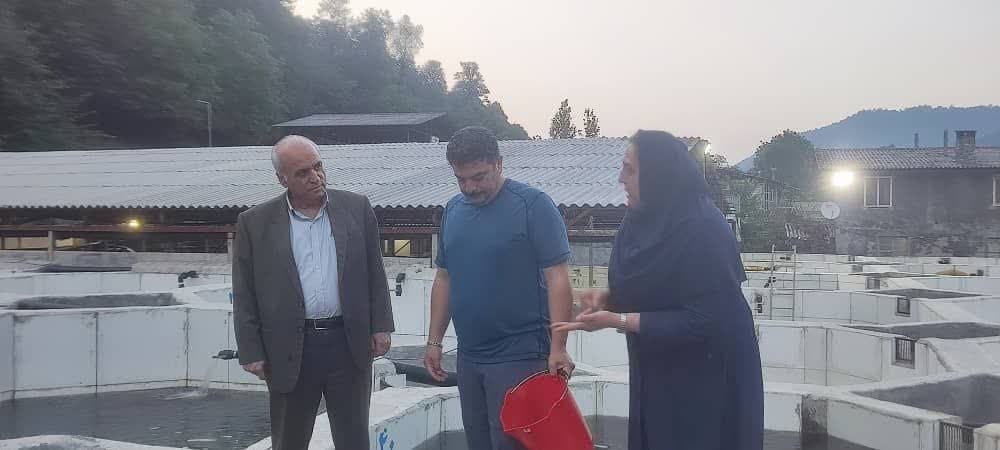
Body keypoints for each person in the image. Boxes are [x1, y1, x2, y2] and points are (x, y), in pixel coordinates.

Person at [553, 130, 764, 450]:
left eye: (630, 170)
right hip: (658, 366)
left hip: (707, 374)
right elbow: (654, 287)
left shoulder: (703, 229)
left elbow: (707, 319)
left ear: (659, 175)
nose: (620, 178)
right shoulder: (640, 219)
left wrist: (618, 320)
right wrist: (609, 299)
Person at [232, 135, 395, 450]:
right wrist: (250, 349)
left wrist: (381, 326)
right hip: (289, 347)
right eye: (302, 172)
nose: (315, 177)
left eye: (318, 167)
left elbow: (375, 270)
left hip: (348, 343)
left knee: (353, 438)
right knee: (289, 440)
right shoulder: (255, 223)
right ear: (282, 179)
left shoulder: (356, 208)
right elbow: (245, 291)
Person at [422, 126, 576, 450]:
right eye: (461, 179)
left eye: (479, 177)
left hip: (521, 355)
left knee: (514, 445)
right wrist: (434, 341)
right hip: (469, 356)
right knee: (478, 442)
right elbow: (444, 278)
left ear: (499, 163)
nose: (470, 188)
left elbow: (558, 277)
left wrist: (559, 346)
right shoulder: (453, 210)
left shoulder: (533, 206)